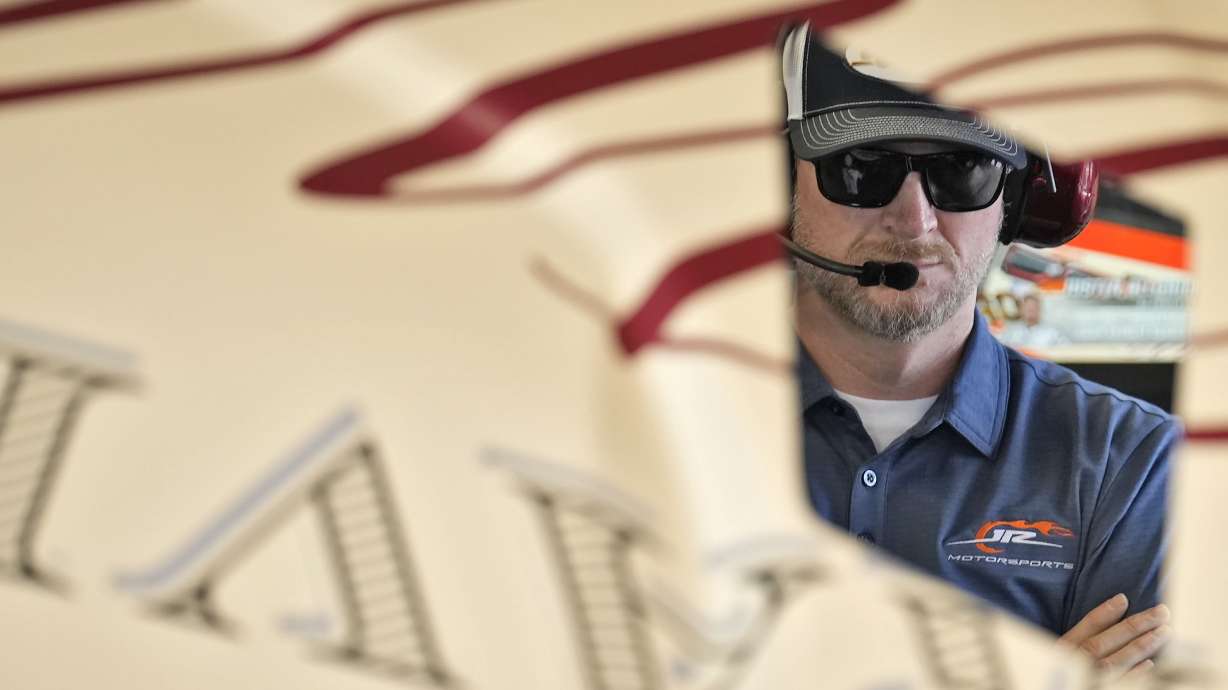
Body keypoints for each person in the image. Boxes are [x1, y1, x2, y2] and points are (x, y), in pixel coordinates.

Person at [778, 23, 1179, 677]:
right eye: (862, 168)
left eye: (962, 171)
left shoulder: (1129, 465)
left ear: (1019, 200)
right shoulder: (647, 421)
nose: (914, 222)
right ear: (780, 186)